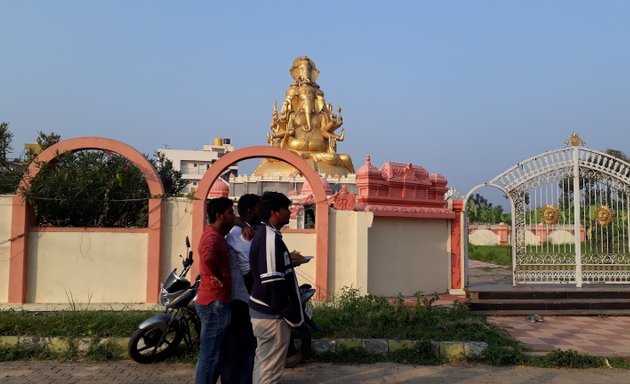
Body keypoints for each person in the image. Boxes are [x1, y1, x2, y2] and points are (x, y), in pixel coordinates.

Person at [249, 191, 303, 384]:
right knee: (269, 372)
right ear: (274, 212)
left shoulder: (267, 235)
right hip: (272, 316)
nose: (289, 213)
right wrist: (288, 313)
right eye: (286, 209)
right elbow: (272, 283)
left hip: (267, 313)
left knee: (264, 365)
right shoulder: (269, 239)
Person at [194, 197, 235, 384]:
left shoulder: (216, 234)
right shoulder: (212, 237)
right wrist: (218, 276)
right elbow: (208, 256)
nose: (233, 216)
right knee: (209, 356)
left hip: (217, 301)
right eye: (230, 212)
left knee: (218, 355)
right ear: (219, 216)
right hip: (214, 302)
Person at [221, 194, 261, 384]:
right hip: (242, 298)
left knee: (241, 344)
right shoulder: (239, 234)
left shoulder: (248, 230)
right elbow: (247, 268)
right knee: (242, 344)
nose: (262, 212)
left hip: (242, 297)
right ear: (249, 211)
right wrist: (257, 297)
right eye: (259, 208)